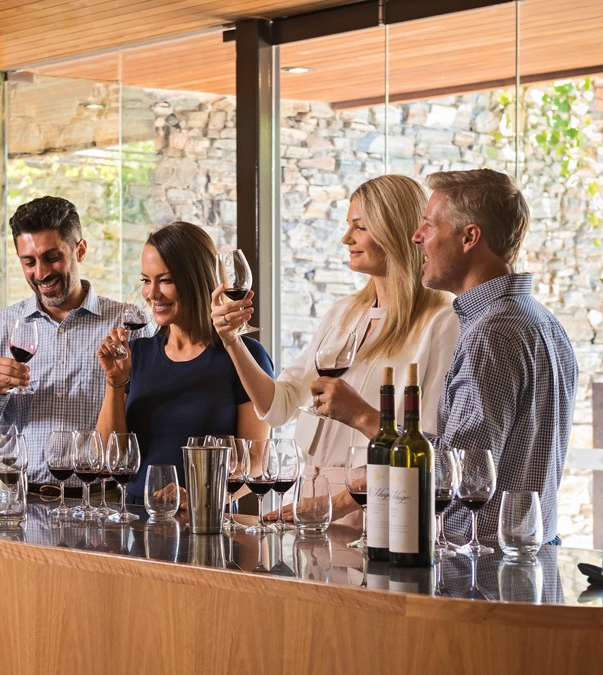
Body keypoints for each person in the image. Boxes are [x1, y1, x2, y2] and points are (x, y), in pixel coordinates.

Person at [212, 175, 459, 525]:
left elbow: (428, 446)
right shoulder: (343, 313)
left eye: (359, 227)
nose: (346, 238)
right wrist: (232, 341)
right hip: (313, 495)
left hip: (380, 507)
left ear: (395, 230)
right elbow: (278, 406)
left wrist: (342, 502)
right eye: (348, 226)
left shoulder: (441, 321)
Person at [411, 168, 578, 544]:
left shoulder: (491, 333)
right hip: (526, 556)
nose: (416, 237)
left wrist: (374, 438)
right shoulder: (543, 320)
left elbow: (463, 472)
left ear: (470, 237)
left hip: (480, 569)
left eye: (429, 225)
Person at [0, 196, 130, 500]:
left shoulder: (125, 326)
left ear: (80, 250)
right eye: (29, 262)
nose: (41, 273)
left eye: (52, 257)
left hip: (100, 503)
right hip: (17, 504)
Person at [96, 221, 274, 504]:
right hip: (135, 525)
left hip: (207, 527)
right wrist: (114, 382)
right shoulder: (136, 354)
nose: (152, 293)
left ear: (197, 279)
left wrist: (197, 500)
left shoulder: (244, 357)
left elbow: (256, 463)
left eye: (165, 280)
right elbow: (107, 458)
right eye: (146, 280)